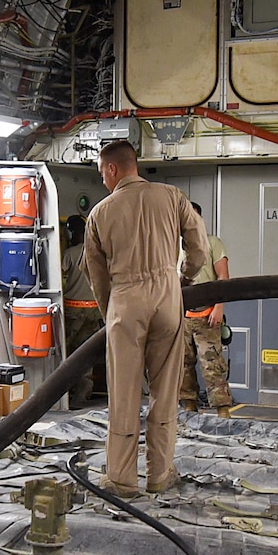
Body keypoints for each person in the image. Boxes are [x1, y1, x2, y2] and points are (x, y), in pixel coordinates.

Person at [84, 140, 208, 498]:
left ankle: (122, 479)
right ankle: (160, 473)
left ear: (111, 169)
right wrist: (185, 276)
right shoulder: (172, 196)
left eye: (101, 174)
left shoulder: (100, 213)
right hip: (168, 295)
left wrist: (112, 313)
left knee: (123, 394)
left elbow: (98, 276)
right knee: (165, 391)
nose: (103, 181)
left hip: (125, 300)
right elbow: (198, 245)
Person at [179, 202, 234, 417]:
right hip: (182, 316)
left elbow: (224, 278)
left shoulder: (212, 243)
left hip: (207, 316)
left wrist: (219, 308)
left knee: (212, 366)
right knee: (183, 366)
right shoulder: (176, 247)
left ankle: (222, 412)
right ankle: (189, 408)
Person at [60, 214, 103, 408]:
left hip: (73, 310)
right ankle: (82, 396)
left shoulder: (70, 253)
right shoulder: (98, 252)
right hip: (94, 309)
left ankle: (63, 396)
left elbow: (60, 278)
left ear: (73, 232)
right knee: (86, 354)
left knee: (67, 353)